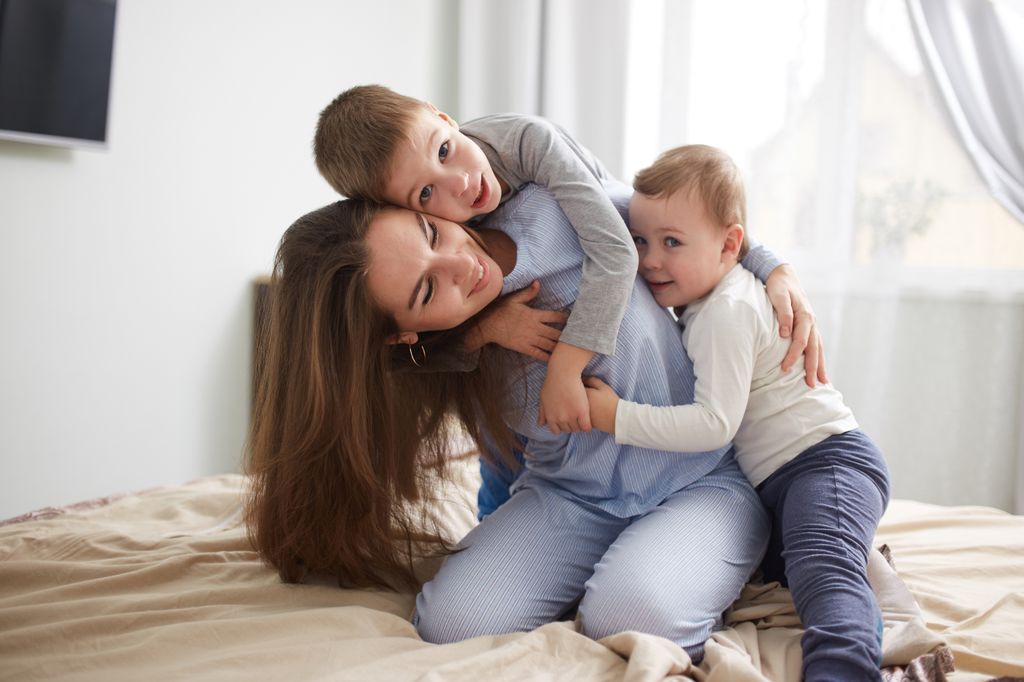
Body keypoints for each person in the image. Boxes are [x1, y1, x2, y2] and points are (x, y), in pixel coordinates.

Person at [246, 175, 822, 661]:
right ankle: (625, 561)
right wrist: (478, 332)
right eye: (427, 289)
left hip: (698, 478)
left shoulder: (551, 213)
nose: (461, 264)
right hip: (570, 498)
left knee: (627, 619)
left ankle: (686, 556)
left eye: (431, 233)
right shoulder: (435, 360)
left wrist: (776, 269)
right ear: (405, 333)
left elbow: (688, 221)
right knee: (451, 623)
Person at [583, 145, 891, 681]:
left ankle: (843, 669)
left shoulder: (726, 310)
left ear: (730, 246)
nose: (651, 259)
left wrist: (617, 416)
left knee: (825, 571)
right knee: (790, 564)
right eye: (641, 241)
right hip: (779, 480)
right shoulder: (708, 297)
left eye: (671, 243)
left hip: (826, 463)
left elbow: (712, 426)